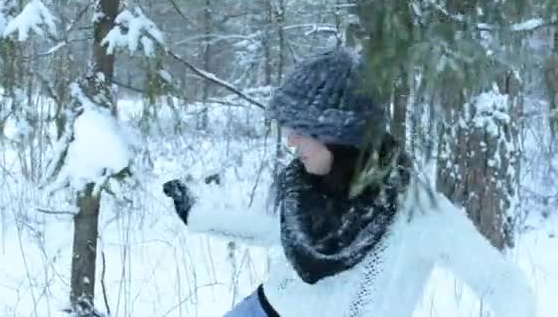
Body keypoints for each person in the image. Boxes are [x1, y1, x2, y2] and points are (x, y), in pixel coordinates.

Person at [162, 49, 536, 317]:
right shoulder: (307, 185)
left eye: (301, 129)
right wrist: (198, 216)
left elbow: (502, 284)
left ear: (340, 134)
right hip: (262, 309)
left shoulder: (419, 211)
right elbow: (269, 227)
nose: (290, 140)